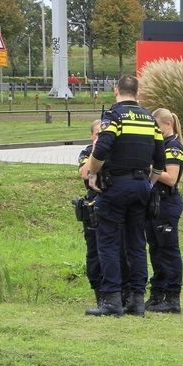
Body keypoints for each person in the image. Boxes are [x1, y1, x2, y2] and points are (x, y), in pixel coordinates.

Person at [84, 75, 166, 316]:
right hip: (141, 187)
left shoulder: (114, 116)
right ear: (137, 93)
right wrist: (149, 183)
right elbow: (160, 160)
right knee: (137, 243)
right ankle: (137, 300)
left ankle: (111, 301)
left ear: (116, 90)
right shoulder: (150, 120)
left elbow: (101, 148)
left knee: (108, 243)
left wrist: (91, 174)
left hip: (116, 187)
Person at [145, 108, 183, 314]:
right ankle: (157, 293)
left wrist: (150, 167)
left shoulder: (173, 147)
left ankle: (172, 297)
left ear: (167, 124)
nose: (155, 131)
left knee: (168, 251)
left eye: (157, 126)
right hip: (154, 203)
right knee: (155, 249)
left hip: (167, 203)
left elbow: (171, 178)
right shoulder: (159, 145)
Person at [76, 119, 104, 305]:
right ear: (91, 136)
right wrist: (96, 150)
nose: (100, 138)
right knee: (94, 252)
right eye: (97, 135)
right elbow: (85, 173)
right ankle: (99, 292)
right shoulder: (87, 152)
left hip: (112, 203)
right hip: (93, 205)